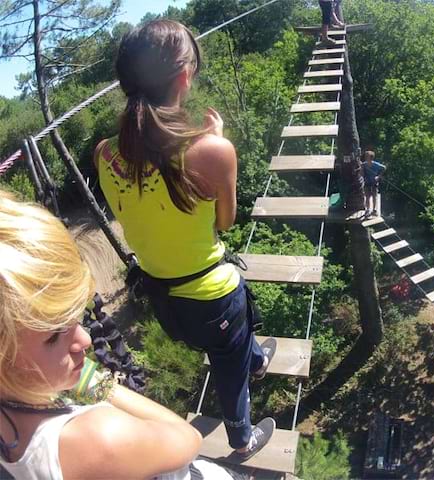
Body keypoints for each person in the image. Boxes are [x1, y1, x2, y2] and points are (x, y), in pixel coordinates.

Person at [94, 20, 276, 459]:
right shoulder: (210, 151)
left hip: (165, 300)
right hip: (211, 299)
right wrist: (214, 143)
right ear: (183, 78)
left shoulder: (104, 153)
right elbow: (226, 222)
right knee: (228, 365)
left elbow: (142, 215)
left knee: (236, 343)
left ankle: (254, 357)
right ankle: (241, 437)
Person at [0, 190, 235, 479]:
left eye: (76, 319)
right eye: (53, 337)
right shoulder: (98, 439)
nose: (85, 340)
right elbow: (187, 438)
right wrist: (95, 383)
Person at [362, 150, 386, 217]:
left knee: (374, 196)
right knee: (367, 197)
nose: (366, 157)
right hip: (367, 182)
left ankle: (374, 210)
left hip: (374, 182)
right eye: (366, 156)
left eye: (367, 156)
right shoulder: (364, 164)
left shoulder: (376, 164)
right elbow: (361, 172)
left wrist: (378, 176)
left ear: (371, 158)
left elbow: (384, 168)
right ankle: (367, 210)